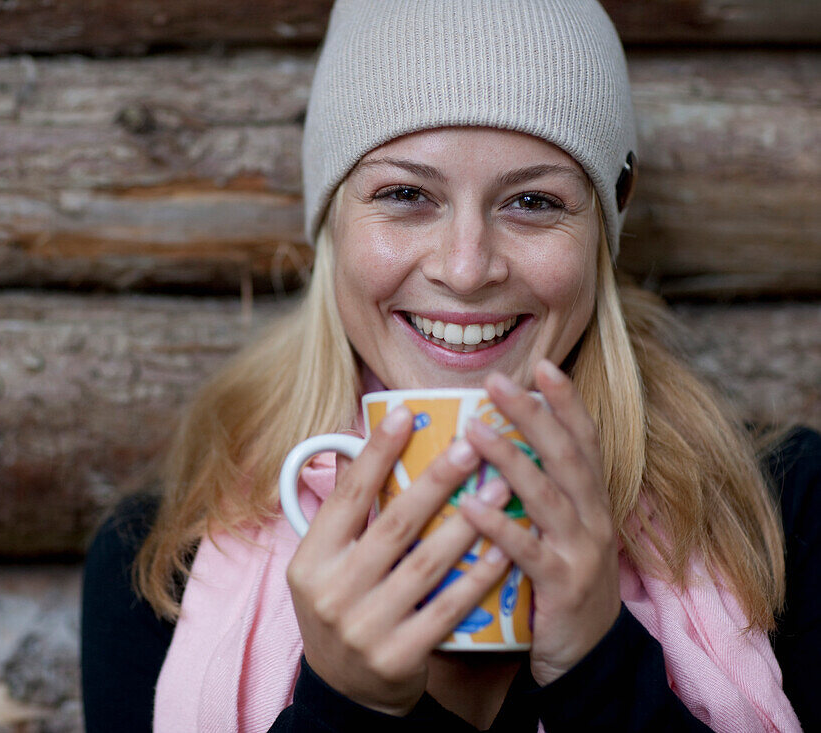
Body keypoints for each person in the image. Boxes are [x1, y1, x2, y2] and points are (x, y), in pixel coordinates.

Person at [81, 1, 819, 730]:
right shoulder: (158, 560)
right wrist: (347, 709)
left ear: (600, 232)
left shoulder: (782, 510)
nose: (466, 269)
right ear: (332, 220)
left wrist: (599, 669)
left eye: (533, 200)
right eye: (406, 195)